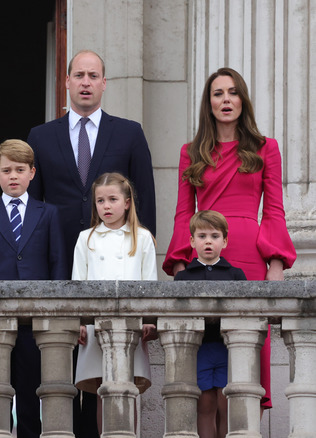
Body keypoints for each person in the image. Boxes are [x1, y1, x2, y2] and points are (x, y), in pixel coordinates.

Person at [26, 49, 156, 437]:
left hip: (117, 258)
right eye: (78, 75)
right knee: (63, 367)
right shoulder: (41, 136)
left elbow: (144, 200)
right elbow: (35, 207)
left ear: (104, 83)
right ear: (66, 82)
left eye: (92, 75)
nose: (85, 82)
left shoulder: (129, 132)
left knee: (111, 376)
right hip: (61, 256)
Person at [162, 67, 297, 411]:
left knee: (247, 350)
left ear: (243, 100)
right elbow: (182, 213)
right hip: (203, 259)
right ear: (208, 104)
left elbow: (275, 211)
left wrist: (277, 264)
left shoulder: (267, 148)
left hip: (250, 256)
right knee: (205, 357)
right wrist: (180, 266)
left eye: (233, 92)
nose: (226, 100)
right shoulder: (190, 152)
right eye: (218, 93)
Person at [0, 139, 67, 437]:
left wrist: (58, 313)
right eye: (7, 169)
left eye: (20, 169)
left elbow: (57, 264)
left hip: (36, 320)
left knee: (30, 390)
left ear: (32, 173)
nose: (13, 176)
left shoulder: (48, 214)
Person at [72, 172, 157, 434]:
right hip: (96, 325)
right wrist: (80, 323)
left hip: (131, 326)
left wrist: (149, 320)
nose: (106, 206)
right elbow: (78, 285)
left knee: (126, 388)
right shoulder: (86, 238)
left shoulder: (142, 238)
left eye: (112, 199)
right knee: (102, 390)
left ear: (127, 202)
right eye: (100, 201)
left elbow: (150, 284)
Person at [175, 210, 246, 438]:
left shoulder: (236, 275)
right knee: (204, 406)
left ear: (225, 241)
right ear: (192, 241)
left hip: (228, 349)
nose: (208, 241)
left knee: (226, 406)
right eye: (202, 235)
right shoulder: (183, 277)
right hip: (200, 350)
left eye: (215, 236)